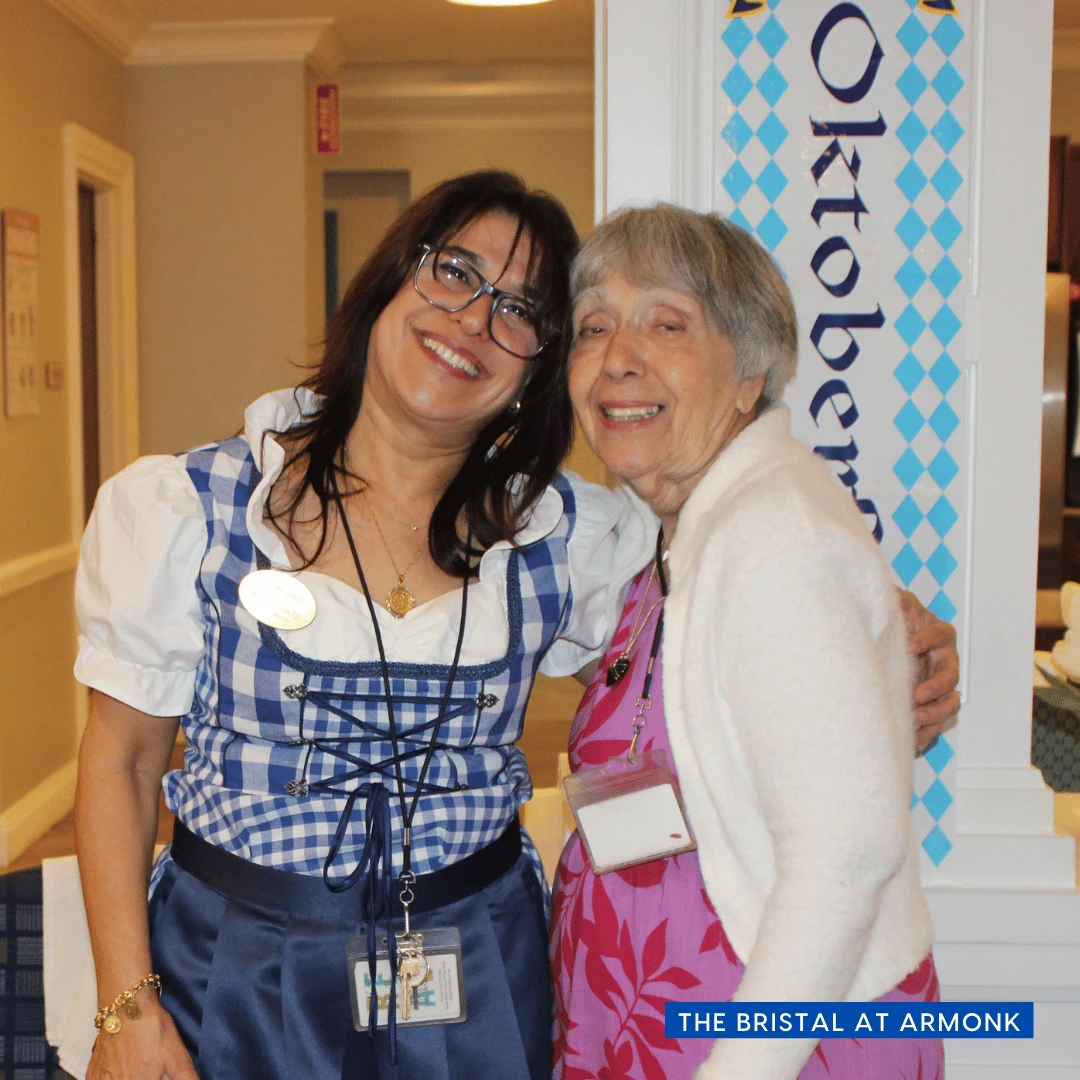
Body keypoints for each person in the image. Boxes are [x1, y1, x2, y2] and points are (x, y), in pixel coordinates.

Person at [72, 171, 956, 1080]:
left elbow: (727, 587)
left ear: (539, 367)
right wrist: (124, 1012)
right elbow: (121, 761)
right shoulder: (192, 509)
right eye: (454, 272)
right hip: (236, 976)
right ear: (389, 279)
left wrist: (895, 633)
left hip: (476, 971)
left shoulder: (566, 540)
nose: (472, 321)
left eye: (521, 311)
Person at [552, 204, 946, 1080]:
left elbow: (847, 854)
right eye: (594, 325)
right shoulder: (696, 527)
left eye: (666, 322)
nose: (619, 356)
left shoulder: (772, 536)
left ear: (750, 372)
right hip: (677, 1016)